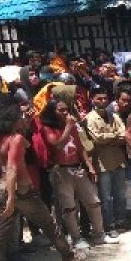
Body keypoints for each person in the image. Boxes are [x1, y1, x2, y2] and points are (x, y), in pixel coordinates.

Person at [0, 95, 80, 261]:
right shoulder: (15, 139)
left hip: (1, 188)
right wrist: (11, 198)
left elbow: (12, 157)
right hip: (22, 191)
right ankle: (68, 257)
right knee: (49, 225)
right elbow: (12, 169)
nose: (22, 119)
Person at [40, 99, 106, 248]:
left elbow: (80, 147)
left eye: (66, 110)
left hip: (78, 168)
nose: (65, 113)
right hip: (61, 171)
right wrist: (69, 126)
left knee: (94, 201)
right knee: (69, 207)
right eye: (61, 110)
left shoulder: (72, 127)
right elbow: (57, 145)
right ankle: (76, 238)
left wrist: (89, 166)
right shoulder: (47, 128)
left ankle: (99, 235)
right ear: (52, 112)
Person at [85, 87, 127, 242]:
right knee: (105, 197)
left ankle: (120, 221)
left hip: (118, 159)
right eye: (99, 98)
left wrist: (108, 138)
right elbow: (97, 139)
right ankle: (109, 225)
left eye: (104, 98)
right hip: (102, 163)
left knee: (120, 194)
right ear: (93, 99)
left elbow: (124, 135)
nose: (102, 101)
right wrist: (114, 137)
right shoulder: (90, 118)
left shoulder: (114, 115)